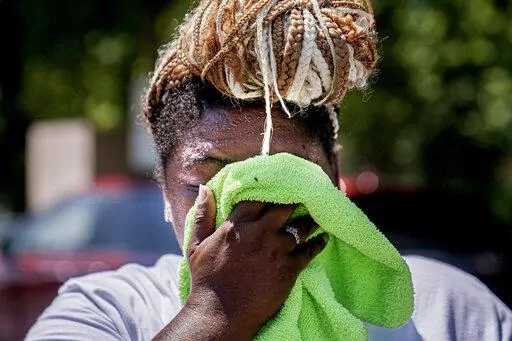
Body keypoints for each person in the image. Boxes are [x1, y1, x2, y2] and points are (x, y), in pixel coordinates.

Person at [27, 0, 511, 340]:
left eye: (288, 177)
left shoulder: (447, 311)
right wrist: (217, 311)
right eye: (207, 182)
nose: (249, 211)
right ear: (164, 191)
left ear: (333, 177)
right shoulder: (107, 312)